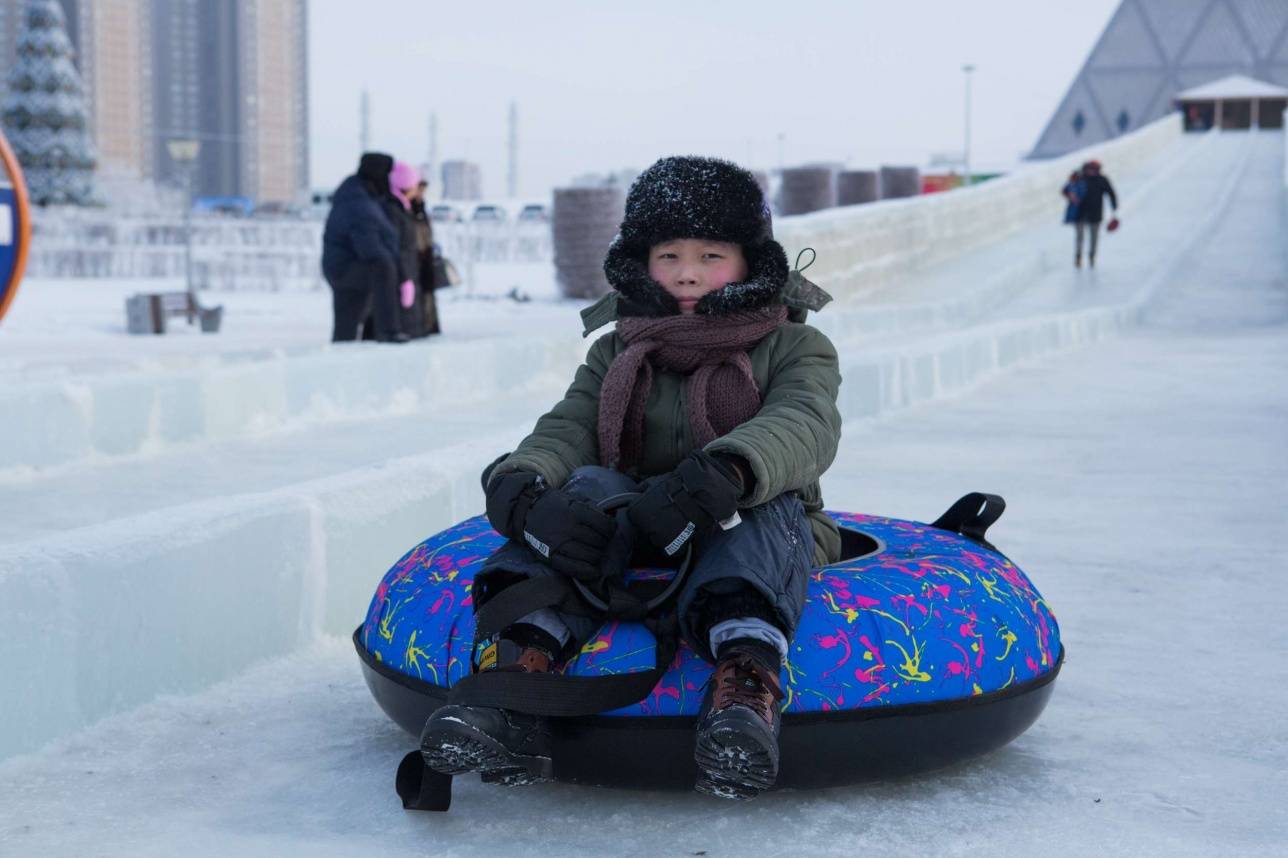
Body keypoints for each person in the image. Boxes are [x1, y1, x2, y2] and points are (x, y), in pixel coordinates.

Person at [419, 156, 842, 800]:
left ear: (750, 261)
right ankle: (517, 687)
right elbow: (572, 426)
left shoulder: (792, 345)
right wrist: (524, 485)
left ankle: (743, 693)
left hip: (740, 515)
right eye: (669, 255)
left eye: (710, 255)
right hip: (636, 526)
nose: (688, 274)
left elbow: (805, 420)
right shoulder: (618, 349)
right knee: (579, 492)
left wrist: (725, 471)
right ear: (641, 262)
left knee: (759, 517)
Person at [320, 152, 406, 342]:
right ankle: (388, 331)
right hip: (346, 267)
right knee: (383, 267)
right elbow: (370, 247)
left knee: (346, 325)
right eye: (387, 174)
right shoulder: (359, 202)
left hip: (341, 266)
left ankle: (345, 350)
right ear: (378, 174)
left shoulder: (362, 195)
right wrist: (396, 267)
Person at [385, 160, 426, 338]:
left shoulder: (403, 207)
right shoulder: (394, 211)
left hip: (407, 274)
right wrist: (405, 279)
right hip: (402, 276)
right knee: (407, 328)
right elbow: (398, 248)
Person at [409, 178, 442, 336]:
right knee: (420, 293)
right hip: (416, 257)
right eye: (419, 189)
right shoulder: (409, 210)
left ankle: (430, 325)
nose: (421, 194)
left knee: (428, 292)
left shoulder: (421, 208)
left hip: (426, 256)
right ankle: (423, 325)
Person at [1075, 160, 1118, 269]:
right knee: (1080, 236)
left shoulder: (1102, 180)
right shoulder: (1080, 179)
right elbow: (1067, 189)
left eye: (1094, 169)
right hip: (1080, 213)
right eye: (1089, 169)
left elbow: (1110, 192)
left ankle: (1091, 256)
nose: (1091, 171)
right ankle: (1078, 257)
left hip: (1095, 214)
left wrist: (1113, 205)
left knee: (1094, 237)